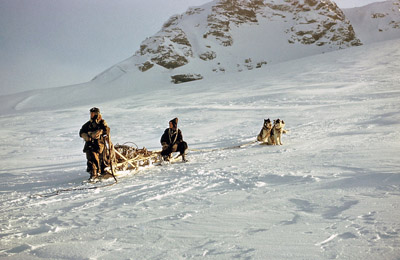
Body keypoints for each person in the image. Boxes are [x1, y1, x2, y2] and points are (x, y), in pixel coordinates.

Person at [79, 107, 110, 180]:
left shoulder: (101, 122)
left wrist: (100, 133)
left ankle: (97, 173)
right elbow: (81, 131)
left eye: (93, 113)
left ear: (97, 114)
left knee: (97, 158)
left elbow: (106, 130)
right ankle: (93, 173)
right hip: (89, 144)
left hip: (98, 144)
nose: (91, 115)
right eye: (91, 113)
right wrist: (85, 135)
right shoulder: (88, 124)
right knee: (90, 158)